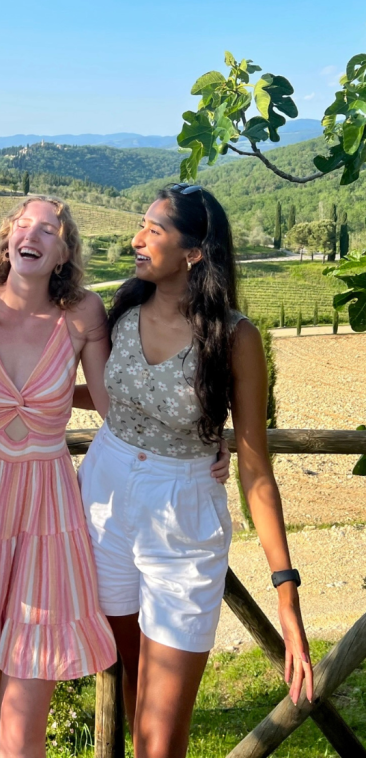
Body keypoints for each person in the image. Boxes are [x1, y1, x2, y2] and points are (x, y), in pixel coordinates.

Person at [0, 195, 229, 758]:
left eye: (49, 230)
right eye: (23, 225)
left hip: (49, 512)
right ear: (7, 239)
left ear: (65, 252)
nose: (33, 234)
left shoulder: (84, 314)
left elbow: (117, 402)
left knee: (25, 709)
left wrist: (204, 436)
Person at [76, 183, 313, 758]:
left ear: (194, 252)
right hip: (104, 498)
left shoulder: (234, 337)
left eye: (153, 230)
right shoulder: (123, 309)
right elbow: (115, 396)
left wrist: (286, 593)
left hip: (181, 516)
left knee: (160, 738)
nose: (136, 240)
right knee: (134, 688)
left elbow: (256, 467)